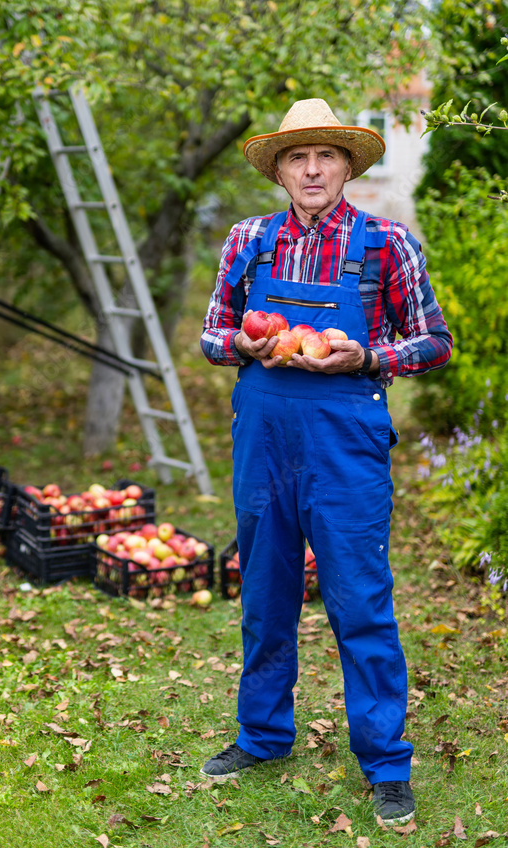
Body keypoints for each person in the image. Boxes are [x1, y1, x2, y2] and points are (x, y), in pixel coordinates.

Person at [199, 98, 452, 826]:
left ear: (346, 166)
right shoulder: (248, 241)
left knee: (359, 600)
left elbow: (432, 339)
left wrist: (370, 356)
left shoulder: (385, 245)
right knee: (265, 593)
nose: (311, 169)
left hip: (346, 444)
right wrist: (239, 346)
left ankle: (386, 762)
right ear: (278, 169)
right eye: (296, 157)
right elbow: (215, 331)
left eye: (325, 156)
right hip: (265, 441)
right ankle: (263, 736)